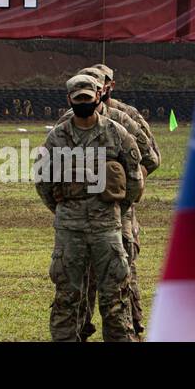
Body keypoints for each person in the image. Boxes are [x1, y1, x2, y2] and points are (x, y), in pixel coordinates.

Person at [34, 73, 142, 342]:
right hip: (69, 232)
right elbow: (43, 182)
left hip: (107, 229)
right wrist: (64, 210)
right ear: (69, 99)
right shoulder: (56, 138)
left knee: (114, 300)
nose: (83, 102)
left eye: (87, 97)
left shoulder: (117, 134)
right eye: (78, 98)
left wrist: (115, 207)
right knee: (67, 299)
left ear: (98, 96)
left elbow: (134, 180)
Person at [73, 64, 159, 339]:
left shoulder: (125, 119)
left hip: (118, 212)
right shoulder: (69, 122)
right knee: (81, 276)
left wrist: (126, 192)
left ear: (107, 87)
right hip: (81, 215)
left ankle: (131, 325)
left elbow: (151, 158)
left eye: (103, 83)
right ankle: (81, 326)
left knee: (122, 272)